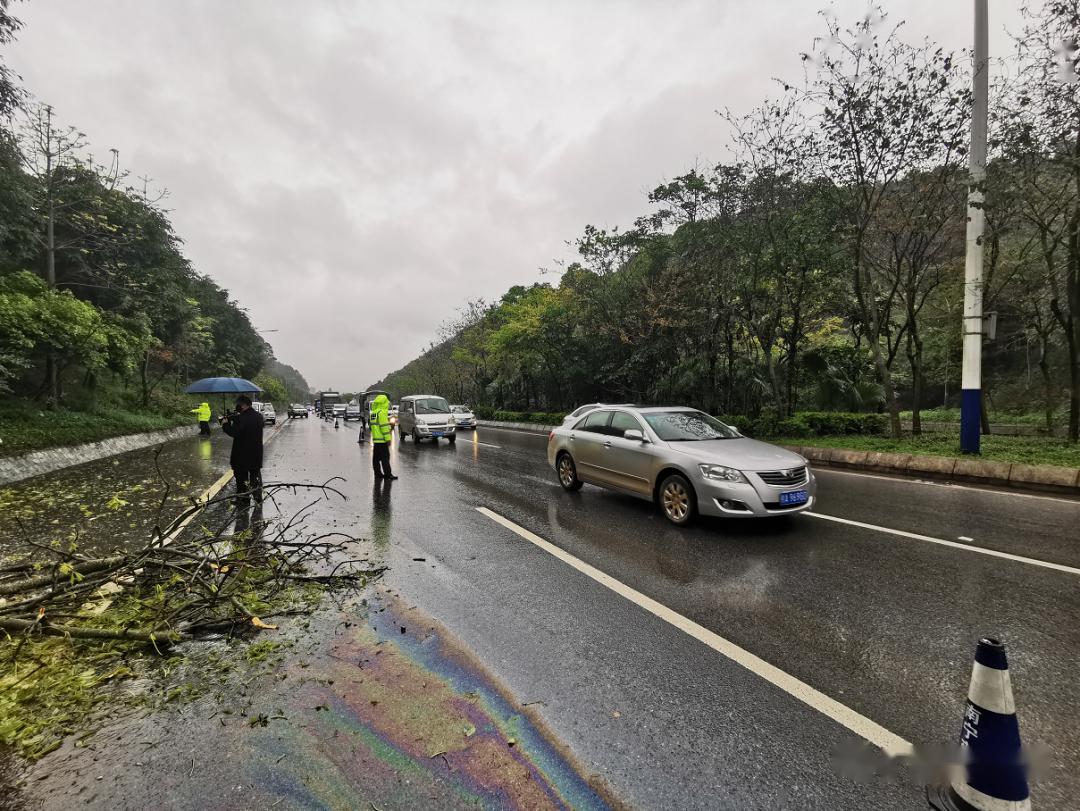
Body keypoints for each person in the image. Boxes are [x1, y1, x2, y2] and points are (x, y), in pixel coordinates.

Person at [219, 395, 264, 506]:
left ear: (243, 405)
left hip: (241, 454)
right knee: (255, 476)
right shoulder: (259, 416)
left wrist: (225, 424)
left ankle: (244, 500)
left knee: (241, 478)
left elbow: (235, 433)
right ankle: (258, 498)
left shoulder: (241, 418)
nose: (237, 406)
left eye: (238, 404)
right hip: (256, 453)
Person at [369, 393, 397, 480]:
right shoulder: (381, 413)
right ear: (384, 403)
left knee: (376, 459)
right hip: (382, 441)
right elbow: (384, 427)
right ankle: (388, 475)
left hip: (376, 441)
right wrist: (388, 439)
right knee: (385, 458)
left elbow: (371, 427)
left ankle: (378, 474)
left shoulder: (373, 413)